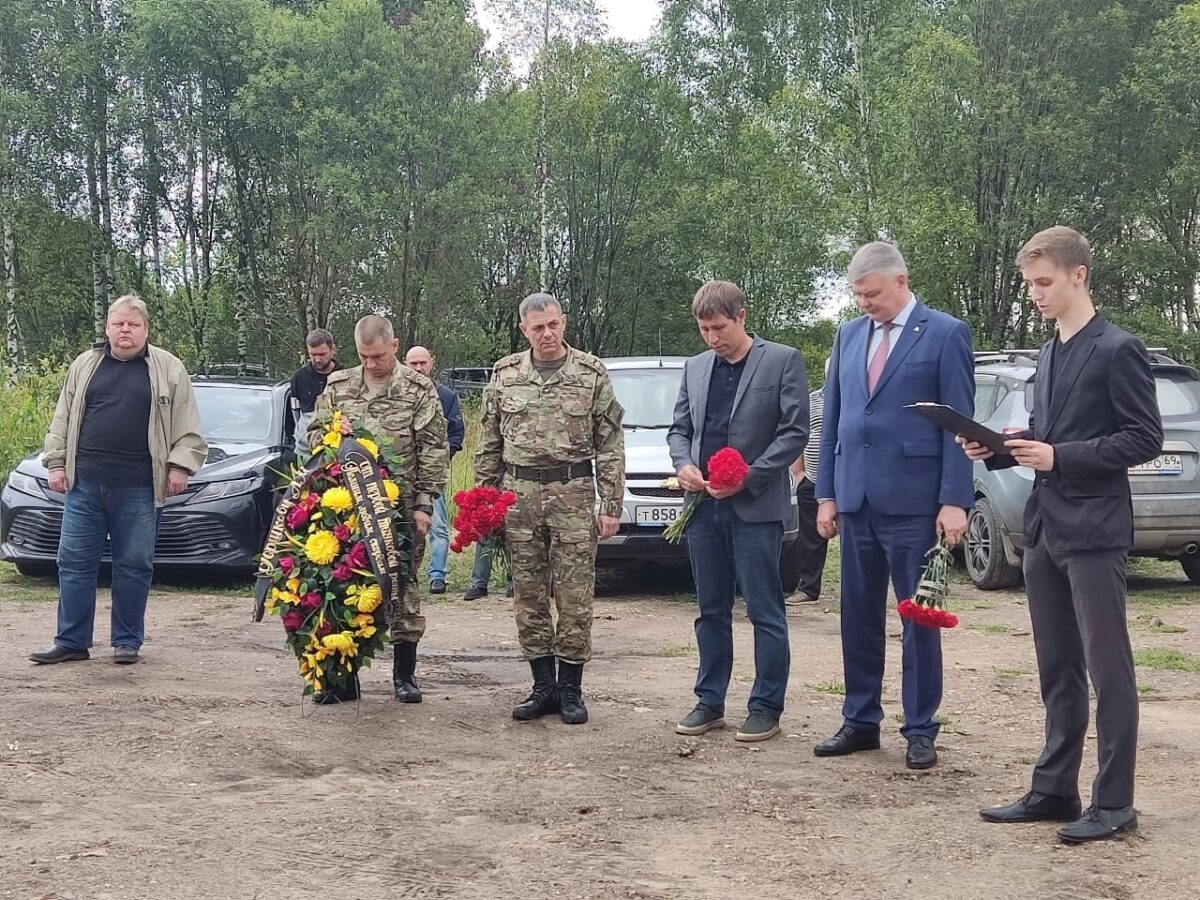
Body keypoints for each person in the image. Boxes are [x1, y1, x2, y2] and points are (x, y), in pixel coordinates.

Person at [961, 227, 1162, 843]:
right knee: (1058, 667)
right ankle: (1054, 789)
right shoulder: (1047, 353)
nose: (1035, 295)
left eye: (1043, 282)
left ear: (1078, 275)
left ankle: (1115, 803)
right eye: (1030, 284)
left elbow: (1143, 438)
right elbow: (1043, 436)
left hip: (1096, 529)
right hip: (1046, 528)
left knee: (1108, 668)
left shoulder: (1118, 349)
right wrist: (996, 452)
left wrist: (1061, 457)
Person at [814, 242, 974, 770]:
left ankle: (920, 728)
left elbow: (958, 426)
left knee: (918, 619)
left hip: (915, 502)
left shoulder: (946, 333)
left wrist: (954, 500)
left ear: (901, 282)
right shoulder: (848, 334)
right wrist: (827, 493)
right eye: (858, 295)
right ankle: (860, 721)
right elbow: (834, 418)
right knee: (857, 618)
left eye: (873, 294)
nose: (864, 304)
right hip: (856, 500)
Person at [29, 295, 207, 666]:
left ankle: (127, 641)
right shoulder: (84, 365)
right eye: (119, 323)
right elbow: (62, 418)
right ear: (107, 327)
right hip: (84, 485)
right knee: (74, 563)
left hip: (139, 487)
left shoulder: (169, 368)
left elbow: (188, 425)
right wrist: (56, 463)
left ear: (146, 330)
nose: (125, 330)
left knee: (134, 565)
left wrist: (181, 465)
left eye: (133, 324)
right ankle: (71, 641)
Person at [667, 281, 809, 743]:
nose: (712, 337)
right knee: (710, 609)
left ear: (742, 317)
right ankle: (710, 701)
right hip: (702, 507)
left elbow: (793, 433)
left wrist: (747, 476)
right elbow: (679, 429)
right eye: (705, 329)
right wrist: (684, 464)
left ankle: (766, 706)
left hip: (754, 507)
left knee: (765, 610)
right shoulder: (694, 368)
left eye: (720, 327)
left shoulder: (782, 360)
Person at [475, 292, 625, 725]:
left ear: (565, 322)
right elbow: (489, 444)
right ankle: (542, 686)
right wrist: (484, 503)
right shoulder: (505, 375)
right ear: (524, 330)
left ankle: (571, 688)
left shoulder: (590, 372)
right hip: (519, 494)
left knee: (575, 592)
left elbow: (610, 443)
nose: (547, 334)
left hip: (573, 492)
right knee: (529, 592)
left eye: (554, 325)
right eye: (538, 327)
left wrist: (611, 502)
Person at [308, 315, 448, 705]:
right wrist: (335, 432)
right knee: (344, 586)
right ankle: (342, 677)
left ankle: (404, 675)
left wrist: (424, 504)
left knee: (400, 587)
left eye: (379, 356)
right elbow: (314, 436)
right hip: (346, 507)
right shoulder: (339, 386)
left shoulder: (418, 389)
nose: (371, 364)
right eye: (364, 357)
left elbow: (434, 450)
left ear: (395, 346)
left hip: (400, 509)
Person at [404, 345, 465, 595]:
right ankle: (405, 578)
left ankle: (437, 576)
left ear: (432, 363)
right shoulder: (396, 395)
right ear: (405, 364)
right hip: (403, 474)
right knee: (402, 527)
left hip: (435, 476)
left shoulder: (447, 396)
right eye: (413, 363)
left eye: (422, 363)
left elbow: (457, 434)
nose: (419, 368)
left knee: (437, 525)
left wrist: (437, 459)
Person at [788, 356, 831, 605]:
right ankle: (808, 588)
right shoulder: (812, 400)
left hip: (845, 480)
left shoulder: (858, 399)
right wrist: (798, 473)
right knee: (810, 536)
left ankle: (857, 592)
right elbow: (800, 435)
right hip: (812, 478)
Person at [289, 329, 341, 453]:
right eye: (313, 355)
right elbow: (295, 413)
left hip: (337, 447)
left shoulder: (344, 376)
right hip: (305, 448)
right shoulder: (298, 378)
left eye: (322, 354)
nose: (317, 359)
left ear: (332, 351)